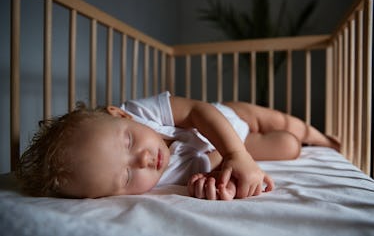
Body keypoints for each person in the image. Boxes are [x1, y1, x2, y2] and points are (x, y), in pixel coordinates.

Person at [16, 91, 340, 200]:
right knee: (289, 146)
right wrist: (218, 181)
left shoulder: (141, 112)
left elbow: (197, 112)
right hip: (242, 147)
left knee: (283, 122)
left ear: (120, 114)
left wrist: (235, 153)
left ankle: (324, 138)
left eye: (128, 140)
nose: (142, 160)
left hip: (227, 118)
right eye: (126, 178)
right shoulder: (162, 180)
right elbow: (208, 164)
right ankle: (303, 141)